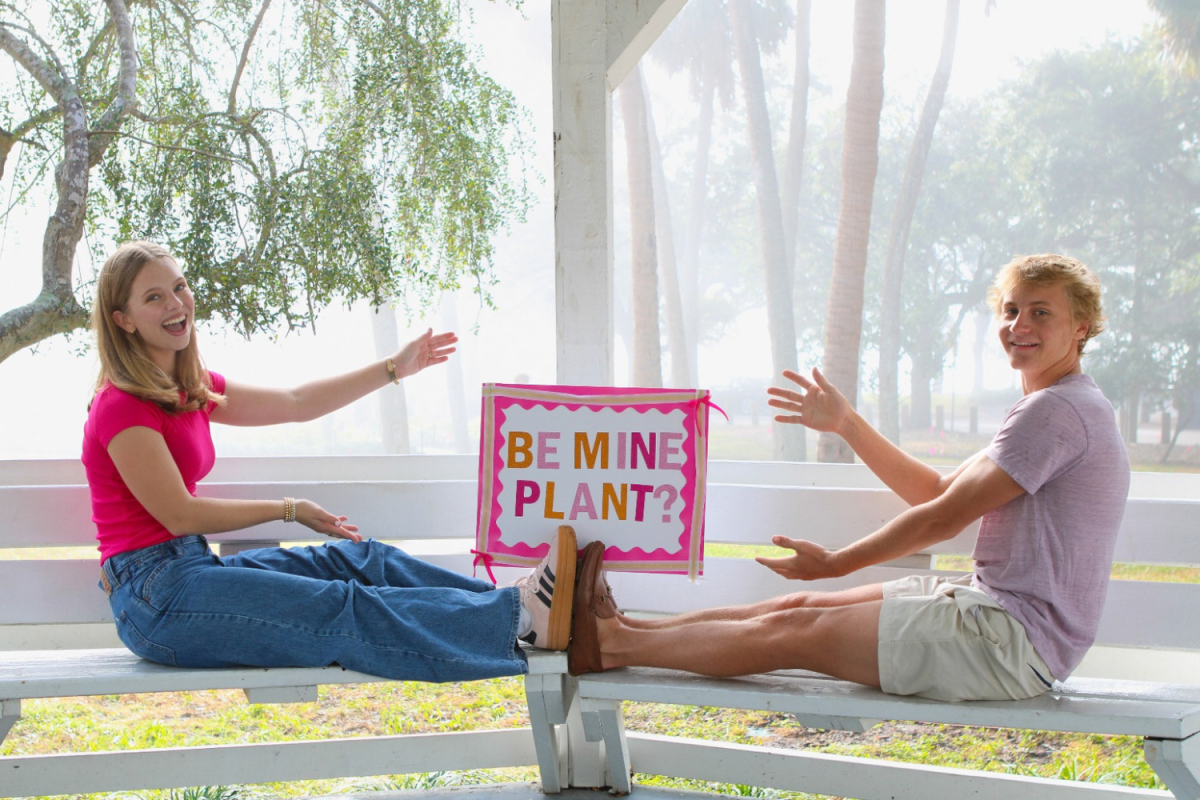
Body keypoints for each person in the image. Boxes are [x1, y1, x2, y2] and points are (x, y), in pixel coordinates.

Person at [569, 254, 1130, 702]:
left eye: (1040, 312)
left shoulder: (1056, 412)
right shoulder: (1062, 406)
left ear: (1081, 327)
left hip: (1009, 643)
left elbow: (944, 516)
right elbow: (938, 492)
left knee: (795, 633)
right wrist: (846, 423)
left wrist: (836, 563)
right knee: (791, 613)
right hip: (993, 616)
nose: (1018, 325)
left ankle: (612, 644)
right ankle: (622, 633)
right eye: (1010, 311)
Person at [83, 240, 578, 682]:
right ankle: (522, 618)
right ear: (122, 319)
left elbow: (298, 402)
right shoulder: (121, 404)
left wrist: (394, 368)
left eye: (179, 287)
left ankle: (520, 606)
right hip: (155, 600)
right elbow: (180, 514)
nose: (176, 304)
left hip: (190, 568)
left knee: (354, 560)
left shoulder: (191, 387)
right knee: (340, 607)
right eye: (154, 297)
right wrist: (289, 509)